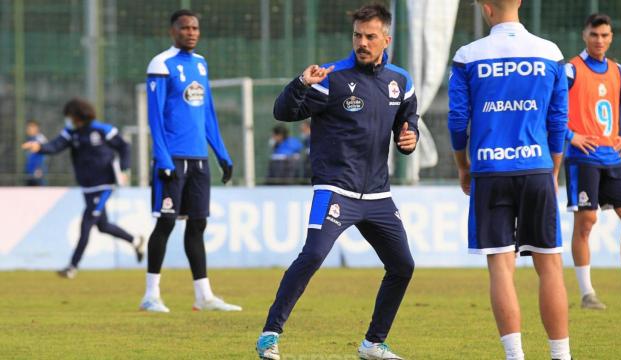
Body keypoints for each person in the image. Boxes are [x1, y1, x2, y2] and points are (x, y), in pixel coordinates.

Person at [255, 4, 418, 360]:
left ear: (386, 38)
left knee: (403, 265)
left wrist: (411, 138)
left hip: (378, 195)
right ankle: (270, 334)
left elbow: (408, 121)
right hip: (335, 189)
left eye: (370, 36)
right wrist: (300, 83)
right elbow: (283, 113)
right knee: (313, 255)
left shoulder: (400, 81)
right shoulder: (333, 77)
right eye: (357, 35)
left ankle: (374, 343)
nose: (362, 42)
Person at [448, 1, 572, 359]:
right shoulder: (550, 53)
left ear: (485, 8)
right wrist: (554, 168)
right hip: (537, 167)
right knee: (549, 266)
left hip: (489, 170)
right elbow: (558, 119)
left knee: (501, 268)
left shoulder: (469, 55)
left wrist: (462, 164)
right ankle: (561, 355)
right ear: (518, 2)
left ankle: (515, 356)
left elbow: (458, 119)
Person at [141, 9, 240, 313]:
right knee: (166, 222)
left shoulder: (201, 64)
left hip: (198, 160)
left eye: (195, 28)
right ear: (173, 31)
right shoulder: (161, 64)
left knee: (197, 224)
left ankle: (204, 296)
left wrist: (222, 154)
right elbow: (154, 117)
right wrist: (162, 158)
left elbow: (207, 114)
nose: (192, 32)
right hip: (172, 159)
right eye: (185, 28)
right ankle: (151, 295)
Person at [564, 14, 621, 310]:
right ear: (585, 35)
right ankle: (587, 295)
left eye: (605, 35)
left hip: (611, 157)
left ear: (611, 38)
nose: (600, 40)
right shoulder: (570, 70)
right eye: (595, 34)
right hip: (583, 159)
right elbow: (551, 108)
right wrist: (572, 136)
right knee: (586, 222)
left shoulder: (617, 71)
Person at [22, 98, 144, 279]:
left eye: (70, 116)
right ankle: (136, 241)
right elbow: (55, 146)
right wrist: (39, 147)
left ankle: (72, 267)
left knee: (87, 223)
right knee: (102, 226)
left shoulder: (102, 130)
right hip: (87, 187)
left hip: (104, 185)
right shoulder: (71, 133)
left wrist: (125, 168)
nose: (68, 120)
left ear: (78, 116)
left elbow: (124, 146)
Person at [24, 120, 47, 186]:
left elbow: (44, 146)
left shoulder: (40, 138)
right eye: (28, 127)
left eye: (32, 127)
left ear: (37, 128)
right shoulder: (29, 138)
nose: (29, 129)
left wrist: (39, 169)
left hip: (38, 171)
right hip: (29, 172)